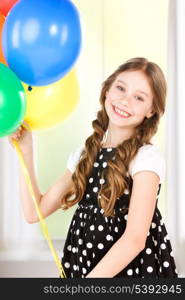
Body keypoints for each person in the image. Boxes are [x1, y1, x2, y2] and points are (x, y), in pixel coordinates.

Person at [9, 57, 178, 278]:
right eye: (120, 88)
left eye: (139, 97)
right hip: (84, 267)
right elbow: (34, 212)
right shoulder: (85, 154)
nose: (125, 101)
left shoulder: (146, 158)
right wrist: (26, 150)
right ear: (107, 90)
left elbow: (135, 239)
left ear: (151, 110)